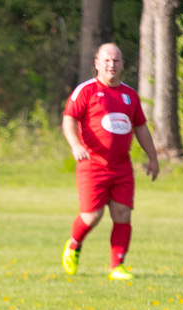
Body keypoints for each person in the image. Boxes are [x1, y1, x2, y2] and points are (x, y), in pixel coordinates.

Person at [61, 43, 159, 281]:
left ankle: (118, 266)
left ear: (122, 64)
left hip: (122, 167)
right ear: (97, 64)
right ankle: (73, 245)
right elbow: (69, 120)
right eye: (106, 60)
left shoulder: (130, 95)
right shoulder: (86, 91)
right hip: (92, 164)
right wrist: (76, 145)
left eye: (116, 61)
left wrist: (153, 158)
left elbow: (140, 128)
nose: (111, 65)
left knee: (123, 214)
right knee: (91, 217)